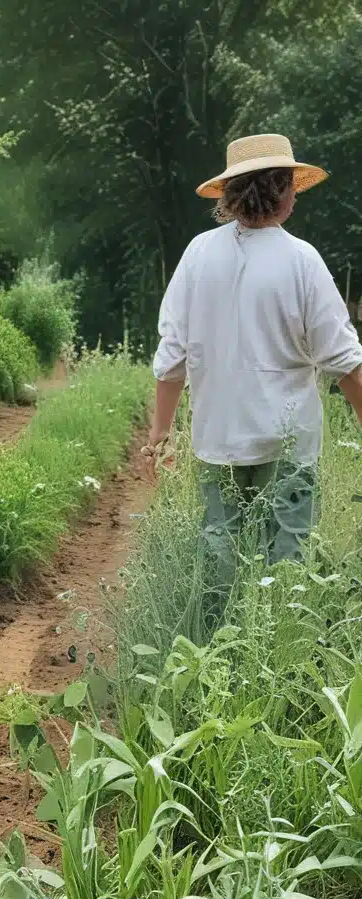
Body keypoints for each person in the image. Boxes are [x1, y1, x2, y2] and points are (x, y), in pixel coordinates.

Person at [148, 133, 362, 582]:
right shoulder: (302, 261)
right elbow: (344, 361)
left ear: (229, 194)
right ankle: (278, 647)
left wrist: (161, 433)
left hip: (217, 437)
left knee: (219, 555)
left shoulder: (197, 255)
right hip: (288, 442)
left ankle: (213, 647)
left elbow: (171, 357)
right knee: (286, 562)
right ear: (283, 190)